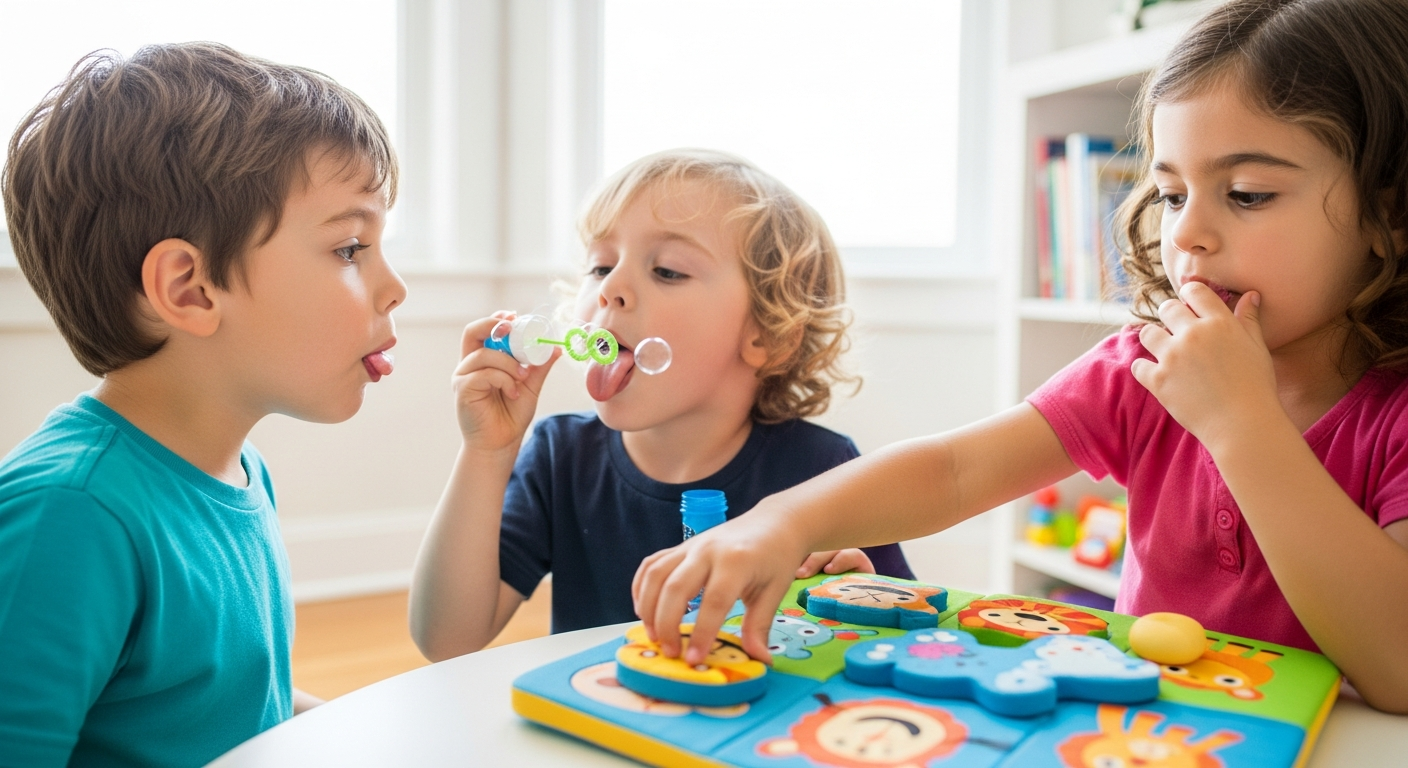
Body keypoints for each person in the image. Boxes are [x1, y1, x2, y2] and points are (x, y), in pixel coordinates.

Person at [630, 0, 1408, 714]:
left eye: (1245, 193)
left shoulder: (1394, 412)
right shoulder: (1143, 365)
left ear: (1387, 214)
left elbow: (1397, 669)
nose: (1188, 234)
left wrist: (1242, 426)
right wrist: (781, 522)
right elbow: (957, 470)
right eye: (1171, 195)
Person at [0, 43, 406, 765]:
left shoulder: (238, 470)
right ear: (189, 289)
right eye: (350, 247)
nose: (394, 286)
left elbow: (240, 714)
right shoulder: (71, 513)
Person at [409, 149, 914, 660]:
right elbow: (447, 641)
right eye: (600, 265)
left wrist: (857, 597)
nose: (611, 288)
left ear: (767, 333)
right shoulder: (561, 456)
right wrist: (487, 452)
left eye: (668, 271)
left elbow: (911, 639)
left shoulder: (823, 472)